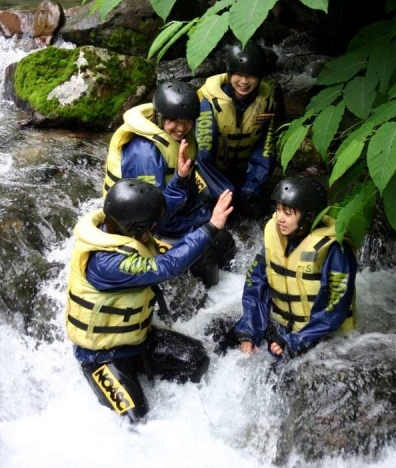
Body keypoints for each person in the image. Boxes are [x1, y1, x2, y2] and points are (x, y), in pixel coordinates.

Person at [66, 178, 233, 423]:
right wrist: (210, 227)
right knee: (136, 421)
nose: (156, 228)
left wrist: (180, 180)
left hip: (138, 339)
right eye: (151, 225)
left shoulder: (119, 224)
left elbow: (159, 209)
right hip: (101, 356)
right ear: (137, 227)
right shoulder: (107, 262)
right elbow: (166, 267)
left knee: (196, 360)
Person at [103, 80, 236, 287]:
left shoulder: (182, 138)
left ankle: (229, 290)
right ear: (159, 116)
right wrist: (198, 229)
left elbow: (190, 190)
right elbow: (151, 215)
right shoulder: (144, 154)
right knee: (204, 257)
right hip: (146, 227)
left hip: (172, 213)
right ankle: (207, 308)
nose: (181, 128)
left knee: (224, 241)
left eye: (187, 121)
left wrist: (202, 220)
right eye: (174, 120)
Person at [235, 176, 357, 358]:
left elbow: (335, 306)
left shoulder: (334, 250)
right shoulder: (274, 238)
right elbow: (255, 283)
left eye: (288, 213)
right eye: (278, 210)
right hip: (281, 328)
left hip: (324, 339)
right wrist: (249, 331)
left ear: (309, 215)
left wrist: (295, 340)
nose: (280, 219)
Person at [196, 40, 286, 219]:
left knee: (252, 206)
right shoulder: (208, 101)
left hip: (242, 170)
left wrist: (253, 184)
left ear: (259, 77)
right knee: (216, 210)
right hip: (210, 171)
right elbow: (202, 154)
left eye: (251, 76)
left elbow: (266, 148)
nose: (244, 82)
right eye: (239, 74)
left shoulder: (267, 100)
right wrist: (223, 190)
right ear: (229, 74)